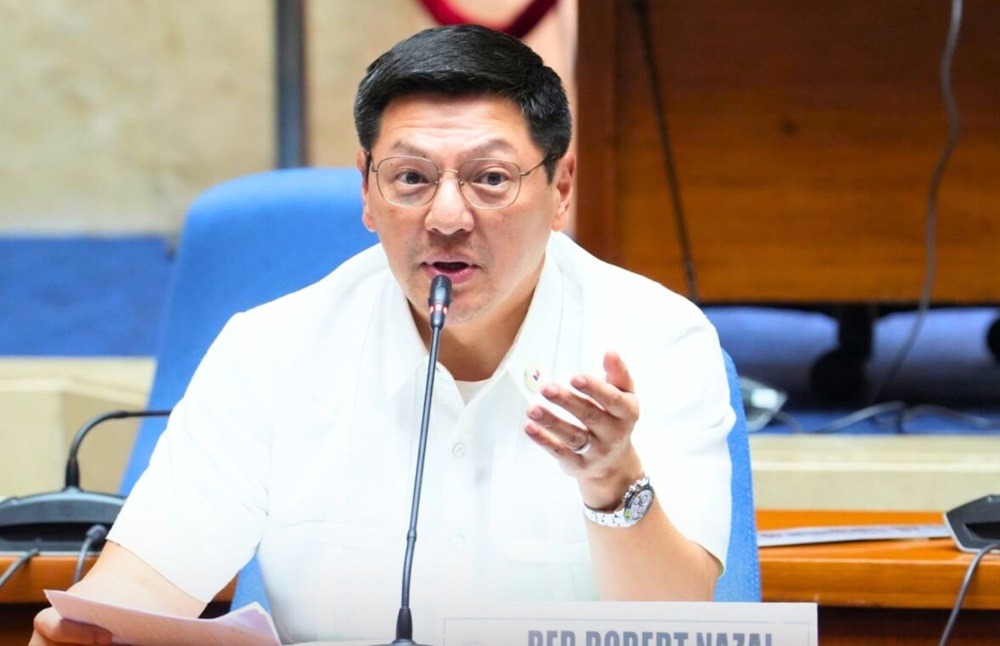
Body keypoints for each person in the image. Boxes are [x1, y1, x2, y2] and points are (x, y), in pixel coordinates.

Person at [31, 24, 734, 645]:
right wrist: (89, 626)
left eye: (491, 178)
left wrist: (612, 482)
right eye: (411, 178)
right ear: (367, 192)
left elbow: (677, 627)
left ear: (562, 187)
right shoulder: (272, 351)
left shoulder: (655, 340)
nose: (448, 218)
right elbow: (144, 584)